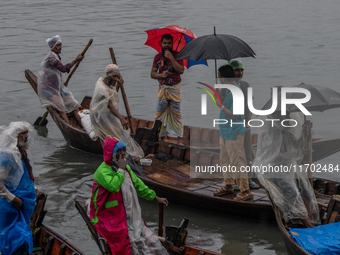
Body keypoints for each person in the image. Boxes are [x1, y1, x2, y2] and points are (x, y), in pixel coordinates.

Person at [89, 136, 169, 255]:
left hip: (125, 211)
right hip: (108, 214)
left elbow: (138, 185)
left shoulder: (125, 168)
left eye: (123, 151)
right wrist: (121, 169)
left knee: (144, 237)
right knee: (122, 241)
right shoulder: (102, 171)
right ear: (111, 153)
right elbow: (114, 186)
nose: (121, 154)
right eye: (118, 151)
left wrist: (155, 197)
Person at [254, 90, 320, 228]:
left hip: (289, 165)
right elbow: (272, 157)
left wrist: (305, 133)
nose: (289, 120)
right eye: (285, 117)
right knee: (294, 195)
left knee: (307, 192)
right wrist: (296, 153)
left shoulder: (287, 129)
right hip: (274, 169)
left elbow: (296, 145)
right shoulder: (269, 132)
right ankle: (309, 226)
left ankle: (313, 221)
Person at [213, 65, 253, 201]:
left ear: (224, 77)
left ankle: (245, 190)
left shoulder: (236, 92)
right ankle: (229, 185)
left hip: (234, 132)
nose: (219, 79)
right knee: (225, 160)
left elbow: (235, 115)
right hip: (225, 131)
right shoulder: (229, 90)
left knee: (238, 161)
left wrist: (220, 105)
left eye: (219, 76)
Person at [90, 64, 144, 158]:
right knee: (115, 134)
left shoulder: (110, 83)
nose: (115, 78)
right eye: (114, 76)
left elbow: (113, 95)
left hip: (107, 113)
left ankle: (128, 152)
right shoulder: (101, 88)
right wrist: (121, 117)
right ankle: (120, 154)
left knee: (122, 130)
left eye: (117, 76)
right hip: (99, 117)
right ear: (108, 76)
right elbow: (110, 105)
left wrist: (119, 84)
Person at [0, 122, 37, 255]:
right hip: (11, 204)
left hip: (23, 202)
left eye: (27, 133)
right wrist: (12, 198)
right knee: (14, 237)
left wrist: (35, 189)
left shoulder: (21, 152)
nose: (26, 136)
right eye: (23, 133)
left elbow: (24, 175)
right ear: (15, 135)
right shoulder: (7, 155)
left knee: (20, 234)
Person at [37, 35, 84, 126]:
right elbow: (62, 69)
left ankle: (82, 125)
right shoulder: (51, 57)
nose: (59, 47)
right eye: (57, 45)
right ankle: (69, 128)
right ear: (52, 47)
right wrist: (76, 60)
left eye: (60, 44)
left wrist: (76, 60)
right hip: (48, 89)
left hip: (58, 87)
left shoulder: (56, 55)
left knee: (73, 104)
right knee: (61, 108)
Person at [229, 59, 259, 190]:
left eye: (241, 70)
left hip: (245, 126)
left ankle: (247, 179)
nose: (240, 73)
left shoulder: (246, 85)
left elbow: (250, 106)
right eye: (237, 70)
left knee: (247, 153)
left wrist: (248, 123)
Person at [151, 34, 184, 138]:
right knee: (159, 113)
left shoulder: (178, 55)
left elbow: (181, 70)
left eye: (169, 43)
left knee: (176, 113)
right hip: (163, 89)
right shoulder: (157, 57)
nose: (166, 45)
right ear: (161, 43)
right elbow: (152, 74)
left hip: (175, 89)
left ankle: (177, 135)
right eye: (164, 43)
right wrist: (162, 75)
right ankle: (158, 134)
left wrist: (171, 58)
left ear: (172, 44)